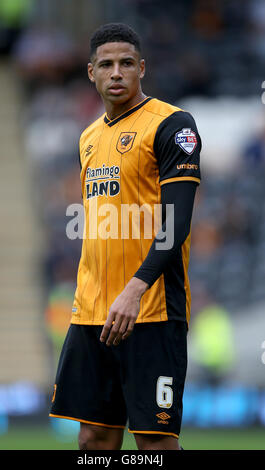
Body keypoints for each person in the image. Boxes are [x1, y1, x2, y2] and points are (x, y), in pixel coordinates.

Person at [49, 22, 201, 451]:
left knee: (155, 444)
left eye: (126, 64)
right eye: (107, 64)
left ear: (142, 69)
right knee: (93, 439)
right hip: (91, 312)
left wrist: (136, 287)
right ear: (91, 73)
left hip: (150, 310)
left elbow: (177, 222)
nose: (117, 73)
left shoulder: (173, 125)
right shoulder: (88, 138)